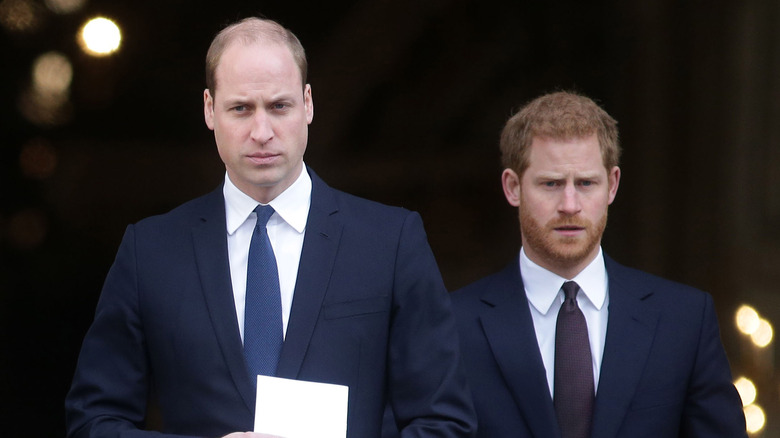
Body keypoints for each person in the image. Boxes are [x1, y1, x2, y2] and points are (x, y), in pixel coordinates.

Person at [65, 17, 475, 438]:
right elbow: (93, 422)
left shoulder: (390, 241)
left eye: (279, 106)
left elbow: (444, 422)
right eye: (241, 108)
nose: (262, 132)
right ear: (209, 109)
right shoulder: (150, 250)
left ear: (308, 103)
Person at [451, 91, 746, 438]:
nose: (570, 204)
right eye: (551, 184)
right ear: (513, 187)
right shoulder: (451, 325)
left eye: (586, 183)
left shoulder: (683, 321)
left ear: (612, 185)